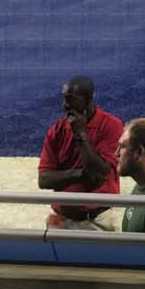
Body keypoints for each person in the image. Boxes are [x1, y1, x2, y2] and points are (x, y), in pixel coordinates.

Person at [39, 77, 123, 231]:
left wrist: (80, 135)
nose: (65, 105)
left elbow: (99, 172)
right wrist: (78, 175)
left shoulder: (111, 126)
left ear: (88, 99)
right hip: (62, 220)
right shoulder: (56, 131)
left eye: (71, 99)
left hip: (98, 221)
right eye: (64, 98)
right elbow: (44, 180)